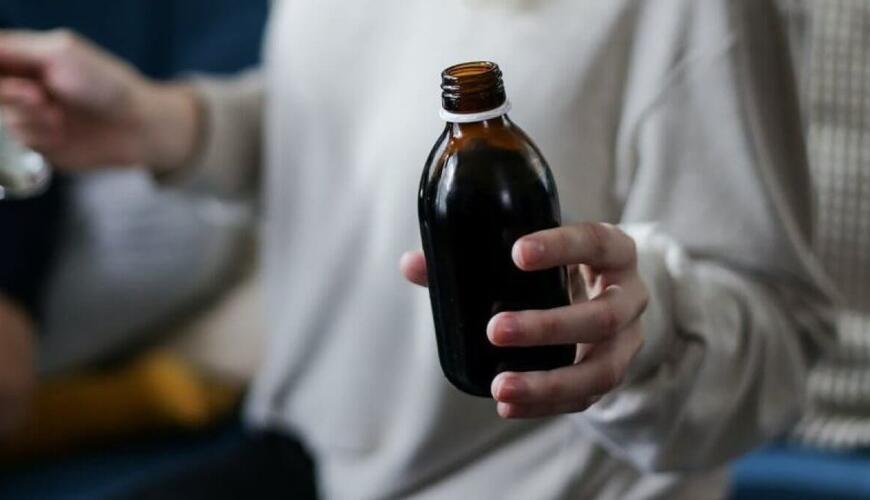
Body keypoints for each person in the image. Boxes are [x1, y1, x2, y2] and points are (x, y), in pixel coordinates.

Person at [0, 0, 834, 498]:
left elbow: (784, 334)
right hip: (305, 458)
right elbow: (343, 118)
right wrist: (168, 125)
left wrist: (646, 329)